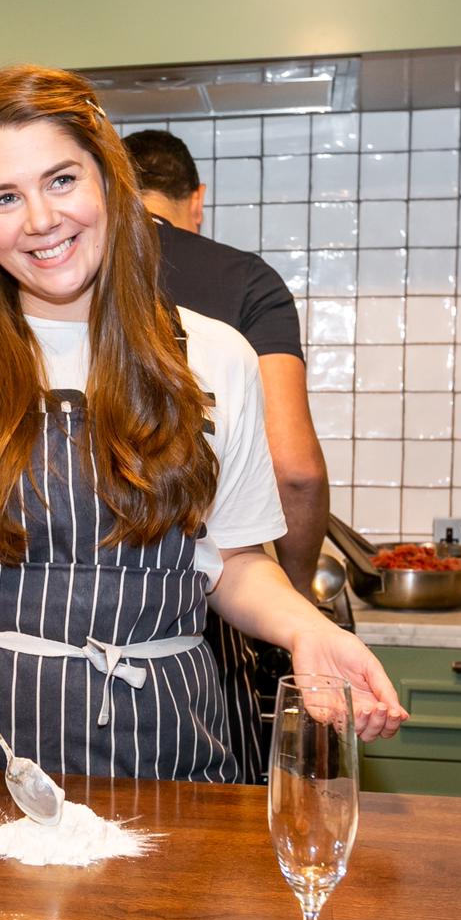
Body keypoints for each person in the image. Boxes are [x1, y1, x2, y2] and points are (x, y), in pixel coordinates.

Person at [0, 66, 404, 783]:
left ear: (107, 181)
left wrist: (308, 628)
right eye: (4, 197)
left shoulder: (213, 356)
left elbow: (234, 564)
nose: (41, 220)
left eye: (61, 180)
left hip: (168, 749)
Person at [124, 127, 331, 782]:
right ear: (197, 199)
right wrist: (297, 596)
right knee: (213, 851)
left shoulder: (56, 280)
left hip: (46, 661)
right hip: (205, 623)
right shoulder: (246, 281)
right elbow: (294, 469)